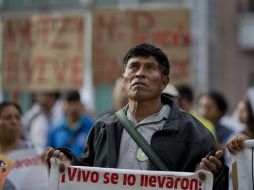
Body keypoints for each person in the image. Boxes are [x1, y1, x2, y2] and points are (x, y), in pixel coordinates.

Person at [46, 43, 228, 189]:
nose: (140, 73)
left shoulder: (194, 133)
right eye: (134, 67)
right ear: (124, 80)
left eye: (150, 68)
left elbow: (213, 182)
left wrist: (213, 174)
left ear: (164, 82)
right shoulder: (103, 127)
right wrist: (66, 163)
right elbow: (87, 175)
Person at [0, 101, 48, 190]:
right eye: (8, 117)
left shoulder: (36, 152)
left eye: (17, 117)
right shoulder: (2, 160)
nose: (14, 121)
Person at [47, 91, 94, 157]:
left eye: (75, 102)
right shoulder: (56, 130)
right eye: (69, 102)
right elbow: (50, 154)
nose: (72, 106)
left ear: (81, 104)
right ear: (63, 106)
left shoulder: (92, 127)